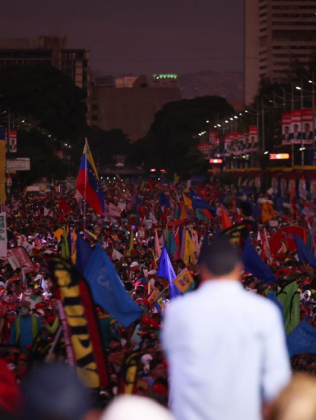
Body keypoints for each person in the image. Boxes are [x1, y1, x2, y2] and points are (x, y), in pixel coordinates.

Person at [163, 235, 291, 420]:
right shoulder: (264, 312)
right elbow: (276, 378)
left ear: (202, 270)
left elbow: (173, 363)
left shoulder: (178, 311)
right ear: (239, 269)